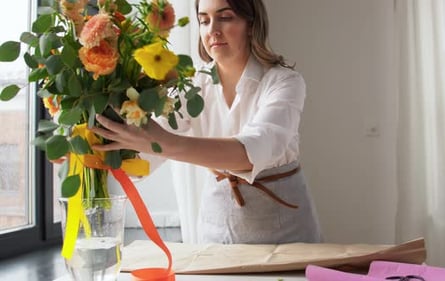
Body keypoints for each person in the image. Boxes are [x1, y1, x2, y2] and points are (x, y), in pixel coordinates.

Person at [91, 0, 322, 244]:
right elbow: (146, 158)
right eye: (204, 20)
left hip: (285, 231)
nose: (212, 29)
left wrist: (162, 141)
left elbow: (252, 151)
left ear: (251, 24)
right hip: (215, 228)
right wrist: (91, 151)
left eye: (225, 17)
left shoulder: (284, 82)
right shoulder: (193, 85)